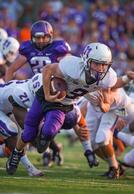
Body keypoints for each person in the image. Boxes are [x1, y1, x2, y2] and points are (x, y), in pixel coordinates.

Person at [6, 42, 134, 176]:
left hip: (63, 104)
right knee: (28, 133)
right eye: (96, 63)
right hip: (45, 96)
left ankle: (45, 139)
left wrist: (103, 106)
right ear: (85, 60)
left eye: (104, 64)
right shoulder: (72, 66)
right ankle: (16, 154)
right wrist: (48, 94)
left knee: (49, 132)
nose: (101, 68)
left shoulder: (107, 78)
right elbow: (48, 69)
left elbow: (107, 104)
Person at [5, 20, 71, 81]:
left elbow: (70, 67)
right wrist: (8, 88)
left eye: (44, 37)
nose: (41, 41)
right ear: (32, 37)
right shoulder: (28, 48)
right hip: (36, 84)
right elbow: (11, 70)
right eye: (38, 38)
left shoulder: (58, 47)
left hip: (55, 83)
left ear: (50, 36)